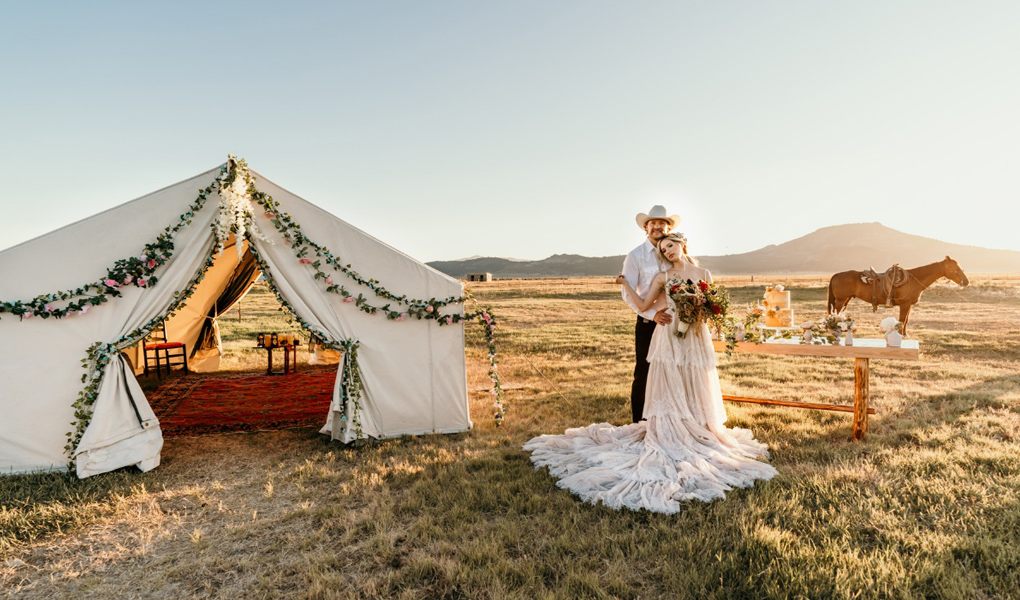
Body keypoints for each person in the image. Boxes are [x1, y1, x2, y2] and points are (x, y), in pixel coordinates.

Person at [523, 232, 777, 512]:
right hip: (668, 333)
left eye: (671, 245)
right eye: (662, 249)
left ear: (682, 244)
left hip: (695, 335)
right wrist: (634, 293)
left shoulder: (703, 272)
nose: (667, 251)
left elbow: (712, 306)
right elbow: (644, 305)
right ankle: (673, 429)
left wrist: (704, 312)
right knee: (671, 382)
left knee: (696, 378)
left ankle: (700, 427)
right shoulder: (662, 277)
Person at [621, 206, 676, 423]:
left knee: (672, 372)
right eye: (652, 223)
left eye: (662, 223)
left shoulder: (674, 253)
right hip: (648, 322)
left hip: (674, 323)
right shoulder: (635, 256)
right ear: (646, 228)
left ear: (668, 227)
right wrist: (652, 315)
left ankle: (668, 420)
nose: (657, 226)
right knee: (644, 373)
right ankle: (640, 424)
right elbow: (627, 293)